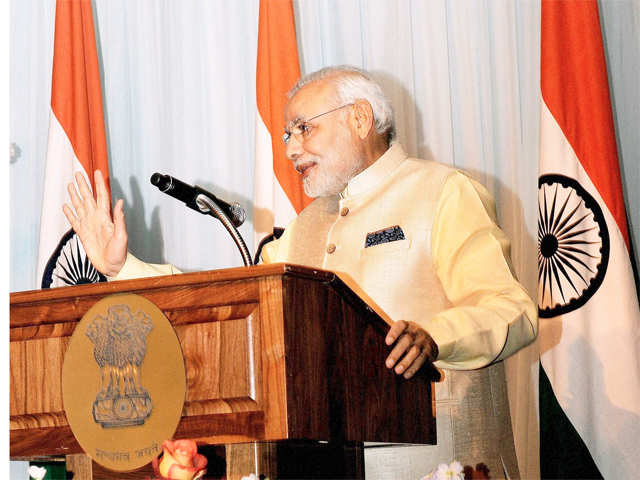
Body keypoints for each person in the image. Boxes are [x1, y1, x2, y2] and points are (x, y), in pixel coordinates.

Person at [64, 66, 537, 479]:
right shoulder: (307, 226)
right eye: (288, 134)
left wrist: (435, 335)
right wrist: (120, 267)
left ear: (360, 118)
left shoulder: (443, 192)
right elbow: (231, 310)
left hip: (443, 463)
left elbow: (512, 311)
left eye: (303, 129)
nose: (290, 148)